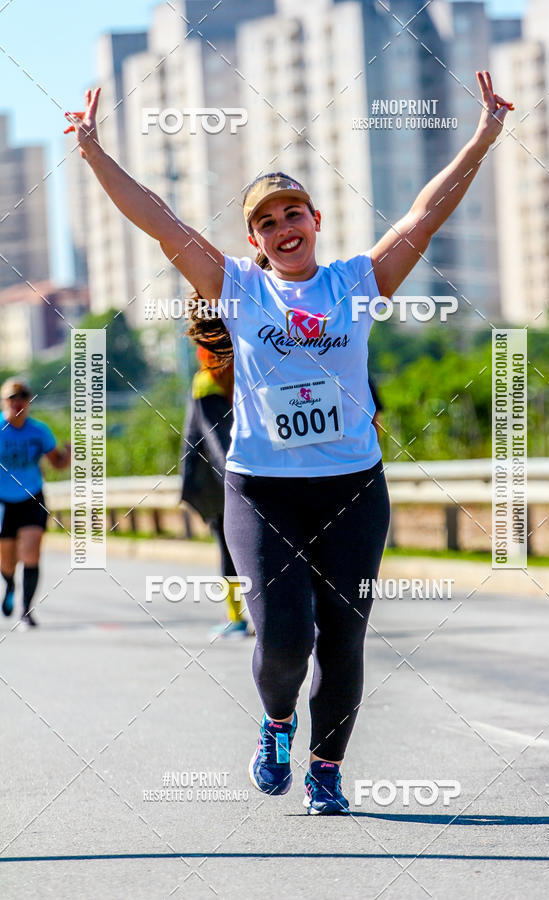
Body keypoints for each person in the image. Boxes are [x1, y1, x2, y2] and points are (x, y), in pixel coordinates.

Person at [65, 71, 511, 813]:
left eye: (292, 212)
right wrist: (92, 154)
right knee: (281, 639)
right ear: (255, 240)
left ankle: (326, 768)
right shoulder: (236, 287)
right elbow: (161, 218)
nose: (282, 227)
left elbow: (424, 215)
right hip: (262, 489)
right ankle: (277, 722)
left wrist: (484, 135)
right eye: (267, 221)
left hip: (352, 489)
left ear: (316, 217)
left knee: (343, 640)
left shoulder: (356, 282)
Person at [181, 344, 253, 639]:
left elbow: (217, 438)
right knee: (234, 545)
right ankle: (238, 616)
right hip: (224, 476)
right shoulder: (218, 381)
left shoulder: (224, 378)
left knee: (237, 546)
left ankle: (245, 616)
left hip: (232, 476)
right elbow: (216, 440)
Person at [0, 377, 71, 628]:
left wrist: (69, 453)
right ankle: (9, 584)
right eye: (12, 398)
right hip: (3, 502)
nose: (17, 403)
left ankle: (26, 610)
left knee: (31, 552)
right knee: (6, 559)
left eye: (22, 398)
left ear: (29, 403)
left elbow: (57, 462)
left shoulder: (39, 431)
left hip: (32, 497)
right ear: (4, 401)